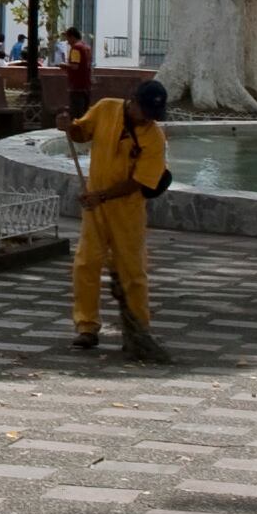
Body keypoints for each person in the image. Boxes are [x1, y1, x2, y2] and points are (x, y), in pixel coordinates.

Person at [71, 76, 172, 360]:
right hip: (96, 209)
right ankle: (86, 326)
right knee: (86, 263)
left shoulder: (154, 136)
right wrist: (68, 126)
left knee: (133, 271)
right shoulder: (105, 109)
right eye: (146, 113)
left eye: (154, 116)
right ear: (133, 102)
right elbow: (81, 133)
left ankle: (138, 330)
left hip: (127, 210)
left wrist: (101, 195)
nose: (148, 120)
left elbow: (140, 182)